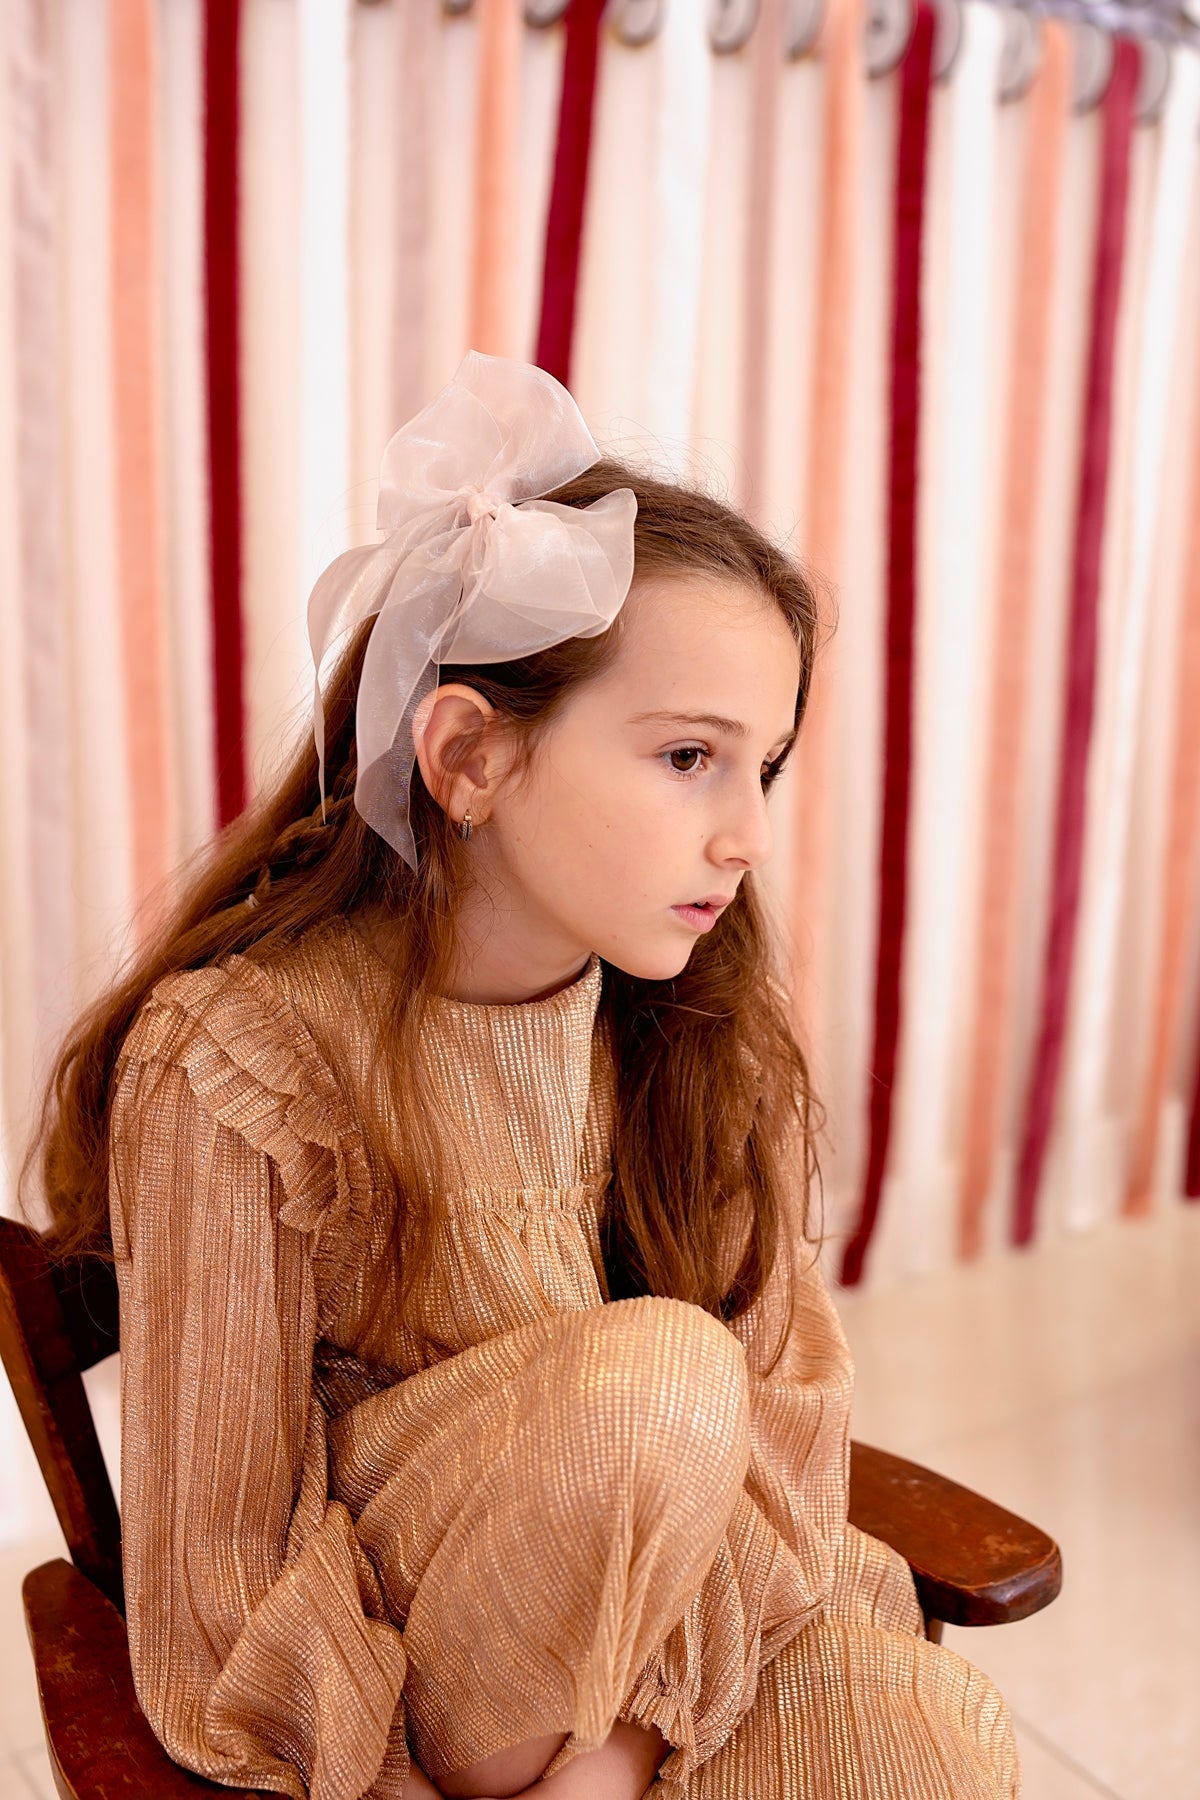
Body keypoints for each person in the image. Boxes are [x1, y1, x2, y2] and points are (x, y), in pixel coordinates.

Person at [28, 353, 1018, 1800]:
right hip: (407, 1692)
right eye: (688, 757)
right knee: (657, 1385)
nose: (746, 836)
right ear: (471, 756)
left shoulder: (697, 1030)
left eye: (765, 768)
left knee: (935, 1741)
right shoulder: (241, 1061)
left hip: (664, 1664)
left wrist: (618, 1753)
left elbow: (787, 1441)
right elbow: (220, 1586)